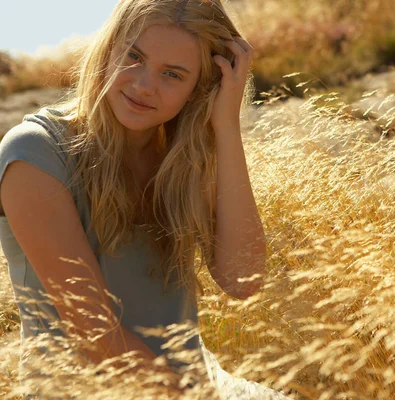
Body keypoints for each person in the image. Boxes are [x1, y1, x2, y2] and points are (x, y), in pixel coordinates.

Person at [0, 0, 289, 398]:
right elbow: (96, 335)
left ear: (199, 89)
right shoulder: (36, 153)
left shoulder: (183, 160)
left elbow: (243, 280)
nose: (142, 85)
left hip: (195, 385)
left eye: (172, 74)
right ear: (108, 49)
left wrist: (225, 125)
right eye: (134, 57)